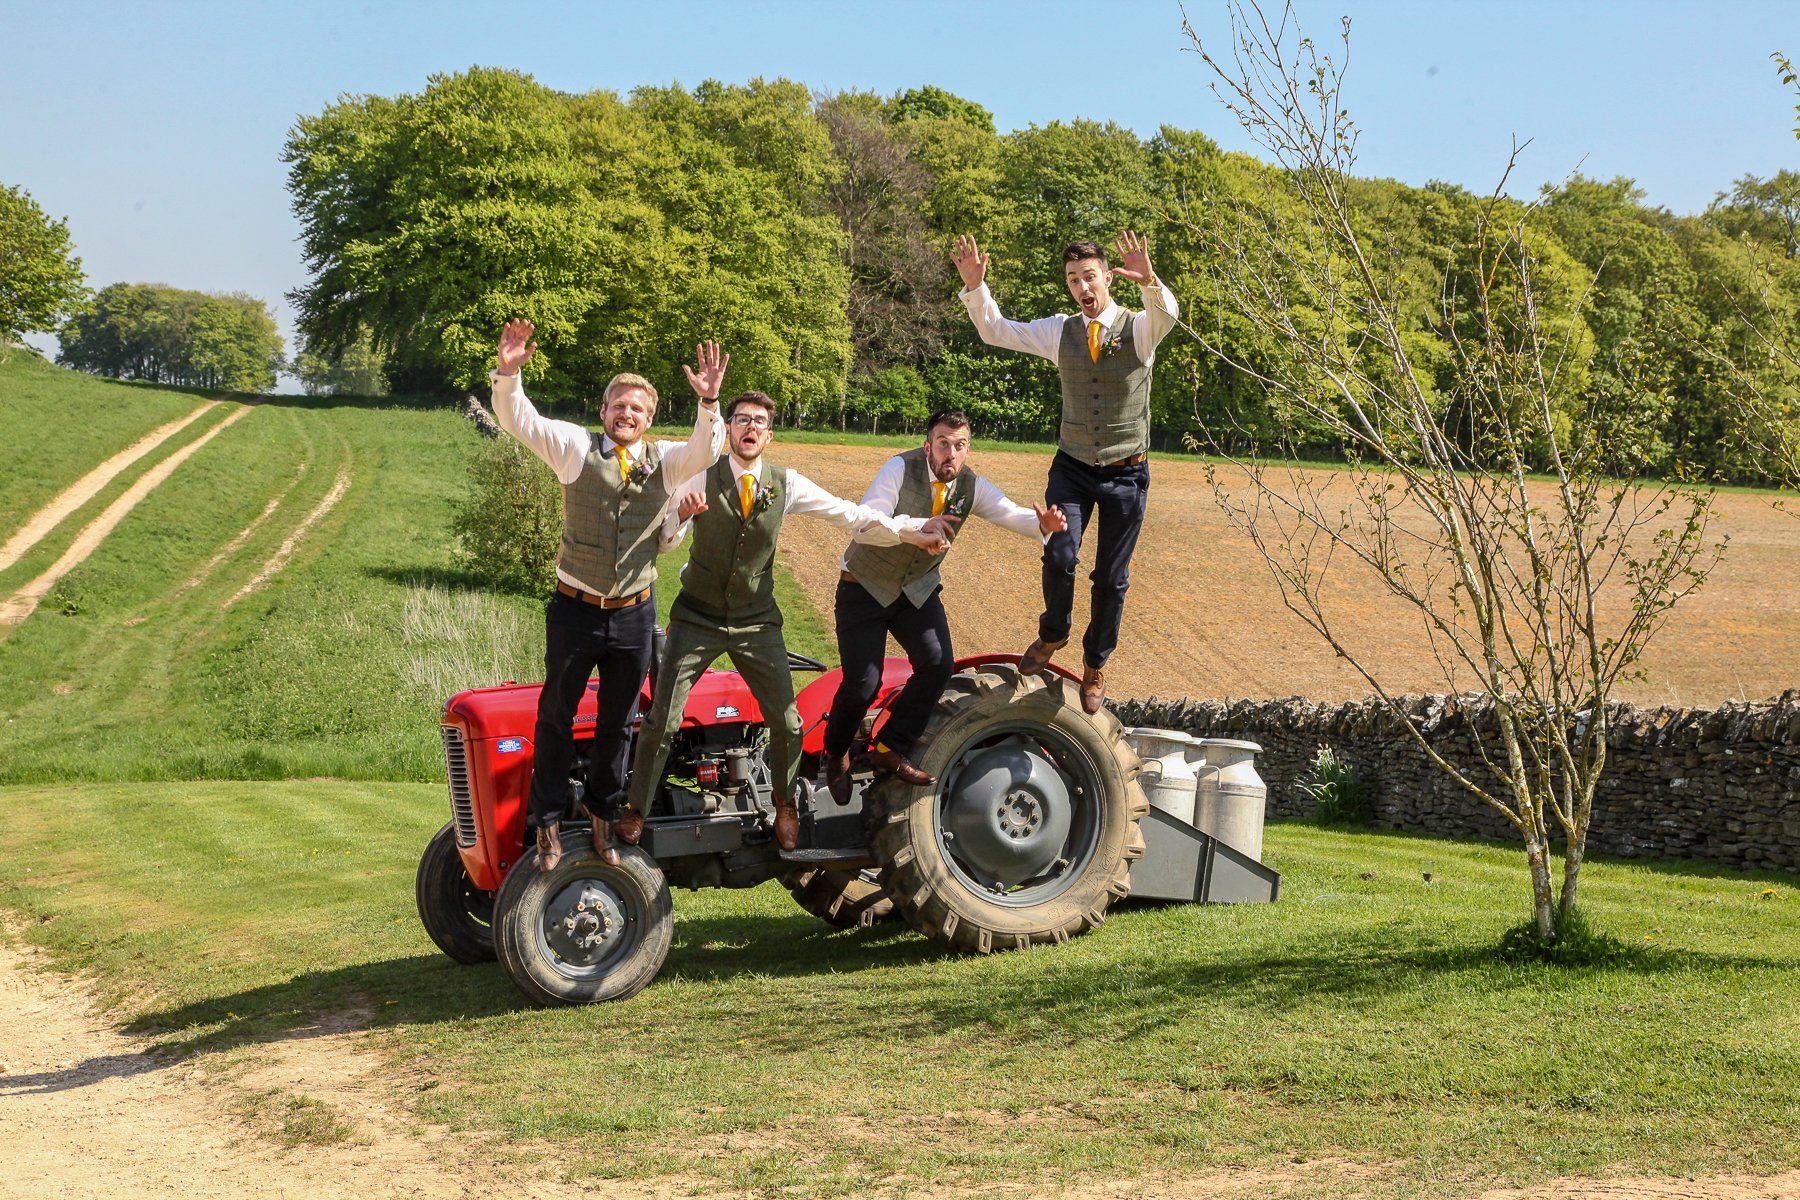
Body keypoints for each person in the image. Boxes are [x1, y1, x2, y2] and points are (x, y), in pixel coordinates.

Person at [626, 390, 950, 851]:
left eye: (759, 422)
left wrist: (911, 531)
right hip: (696, 617)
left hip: (757, 621)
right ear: (729, 429)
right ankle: (636, 810)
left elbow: (852, 515)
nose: (750, 428)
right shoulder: (698, 473)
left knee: (788, 720)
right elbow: (665, 542)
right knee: (663, 717)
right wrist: (680, 516)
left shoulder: (786, 483)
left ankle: (785, 806)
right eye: (741, 420)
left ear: (770, 434)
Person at [489, 318, 727, 870]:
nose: (627, 414)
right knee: (556, 715)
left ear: (650, 419)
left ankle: (602, 817)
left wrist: (710, 401)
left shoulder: (666, 461)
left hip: (634, 616)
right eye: (618, 405)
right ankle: (546, 823)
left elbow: (707, 448)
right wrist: (508, 374)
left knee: (620, 724)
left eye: (637, 409)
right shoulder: (574, 448)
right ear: (603, 412)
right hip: (575, 609)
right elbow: (520, 421)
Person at [951, 231, 1180, 713]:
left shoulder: (1139, 327)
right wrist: (976, 289)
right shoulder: (1060, 330)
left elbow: (1168, 315)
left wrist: (1151, 280)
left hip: (1126, 474)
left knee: (1111, 579)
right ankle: (1053, 633)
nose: (1082, 286)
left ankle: (1096, 662)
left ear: (1107, 278)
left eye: (1089, 276)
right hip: (1072, 467)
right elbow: (998, 330)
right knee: (1058, 552)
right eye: (1073, 279)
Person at [821, 410, 1067, 799]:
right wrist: (919, 528)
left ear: (968, 449)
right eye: (943, 444)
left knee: (938, 665)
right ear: (928, 445)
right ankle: (835, 754)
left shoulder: (971, 486)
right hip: (863, 588)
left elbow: (1009, 513)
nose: (950, 453)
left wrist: (1043, 525)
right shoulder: (899, 468)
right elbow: (867, 522)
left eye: (960, 445)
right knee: (863, 684)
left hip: (916, 591)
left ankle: (889, 748)